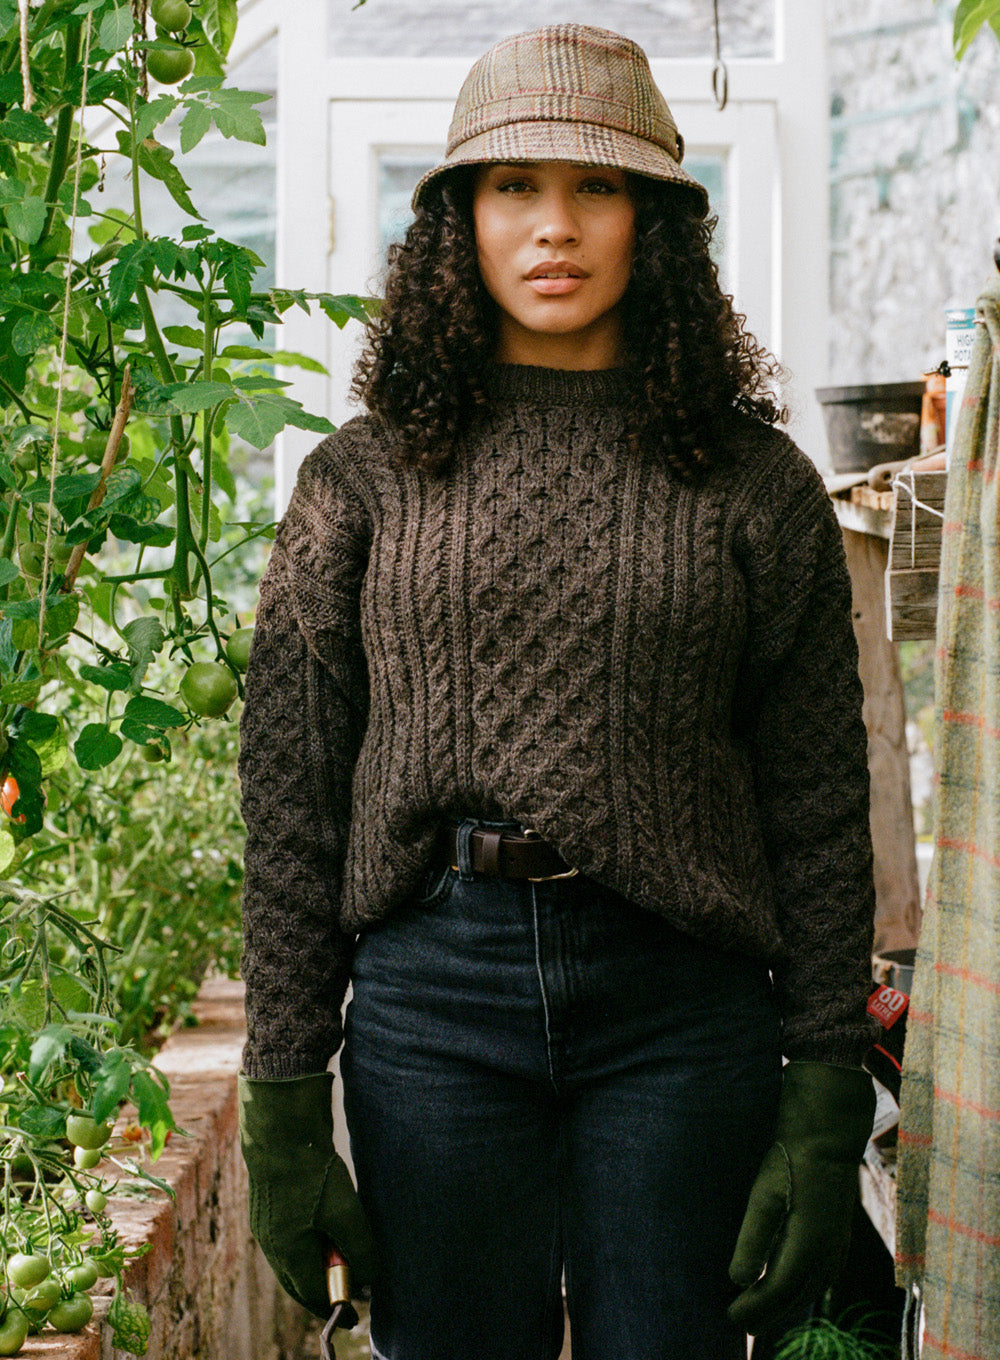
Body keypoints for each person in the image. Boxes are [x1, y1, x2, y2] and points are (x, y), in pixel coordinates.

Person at [236, 23, 877, 1360]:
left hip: (682, 1012)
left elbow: (819, 810)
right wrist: (284, 1110)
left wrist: (822, 1113)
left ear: (656, 224)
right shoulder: (357, 483)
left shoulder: (758, 489)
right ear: (457, 219)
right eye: (514, 185)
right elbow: (291, 807)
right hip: (431, 1005)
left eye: (598, 187)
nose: (555, 225)